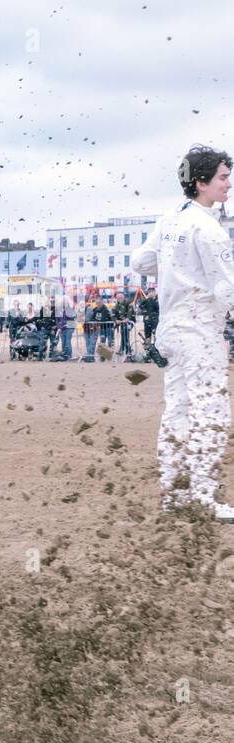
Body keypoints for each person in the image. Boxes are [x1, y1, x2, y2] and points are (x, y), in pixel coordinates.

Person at [134, 144, 234, 519]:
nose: (228, 184)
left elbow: (140, 262)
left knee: (177, 409)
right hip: (201, 331)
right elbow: (228, 289)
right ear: (201, 182)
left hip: (170, 329)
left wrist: (174, 267)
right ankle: (205, 498)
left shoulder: (170, 219)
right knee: (211, 411)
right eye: (223, 177)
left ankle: (174, 495)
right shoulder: (209, 230)